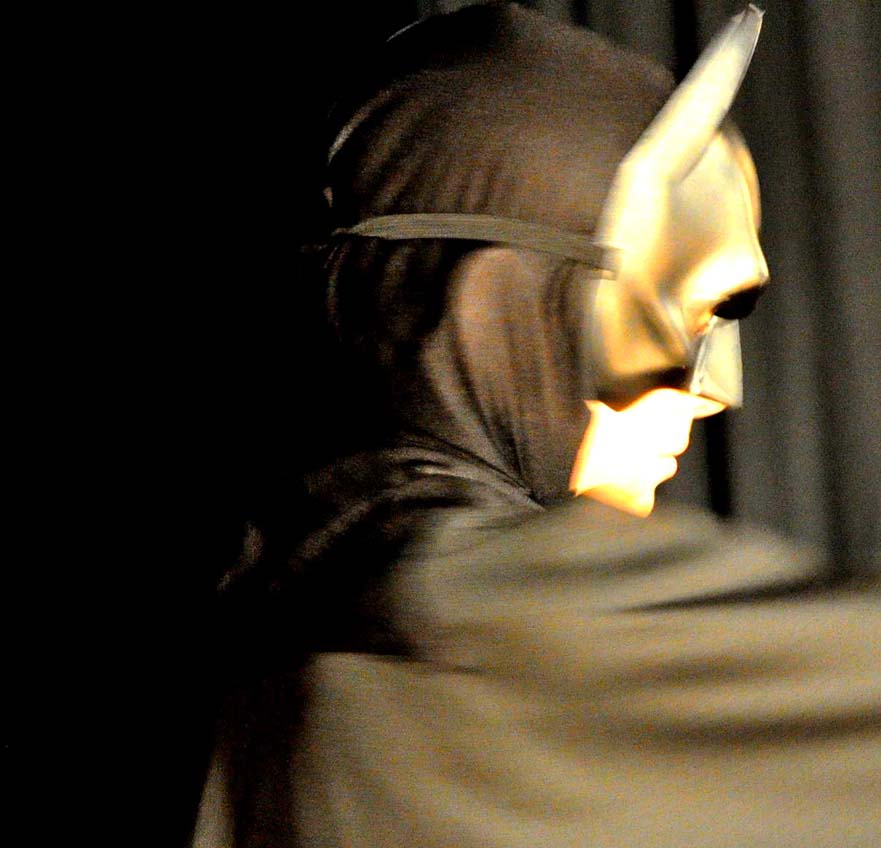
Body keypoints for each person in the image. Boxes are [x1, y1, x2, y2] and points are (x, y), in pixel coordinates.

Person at [193, 4, 881, 846]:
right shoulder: (462, 612)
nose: (711, 393)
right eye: (680, 316)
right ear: (495, 307)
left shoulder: (285, 585)